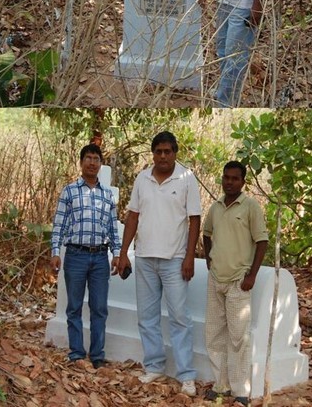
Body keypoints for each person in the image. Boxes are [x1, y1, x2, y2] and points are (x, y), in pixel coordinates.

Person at [116, 131, 201, 397]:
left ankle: (186, 376)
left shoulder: (186, 178)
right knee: (147, 317)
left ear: (175, 152)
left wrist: (189, 256)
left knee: (180, 318)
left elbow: (195, 220)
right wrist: (123, 252)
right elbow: (133, 216)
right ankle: (154, 366)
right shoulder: (143, 178)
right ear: (152, 153)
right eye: (158, 151)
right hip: (145, 258)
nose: (163, 156)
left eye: (168, 151)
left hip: (175, 260)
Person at [202, 161, 268, 407]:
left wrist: (251, 275)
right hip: (215, 279)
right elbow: (206, 234)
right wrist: (209, 260)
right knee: (214, 334)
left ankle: (241, 391)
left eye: (234, 178)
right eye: (226, 177)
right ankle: (221, 387)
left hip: (239, 280)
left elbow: (262, 241)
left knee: (238, 337)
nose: (229, 182)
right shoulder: (216, 207)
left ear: (243, 182)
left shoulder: (251, 207)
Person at [50, 143, 121, 369]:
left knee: (99, 308)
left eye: (96, 158)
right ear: (81, 162)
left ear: (101, 164)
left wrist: (117, 254)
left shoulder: (108, 195)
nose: (92, 162)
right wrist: (54, 251)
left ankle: (98, 356)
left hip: (100, 257)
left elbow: (112, 228)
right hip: (75, 256)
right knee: (74, 307)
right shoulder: (69, 191)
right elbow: (59, 223)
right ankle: (77, 354)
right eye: (88, 158)